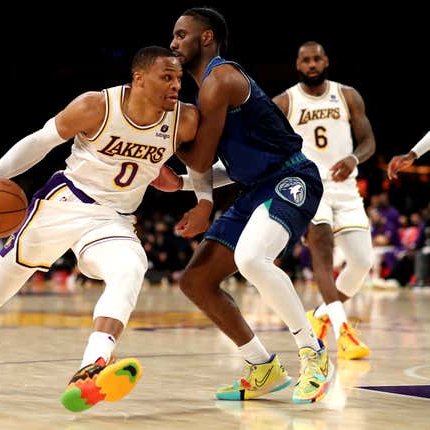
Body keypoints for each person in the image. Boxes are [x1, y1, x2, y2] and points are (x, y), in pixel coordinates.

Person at [0, 46, 210, 412]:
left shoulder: (185, 120)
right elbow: (41, 141)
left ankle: (90, 368)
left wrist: (206, 196)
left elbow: (198, 171)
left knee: (130, 268)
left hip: (113, 218)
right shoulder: (96, 106)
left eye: (178, 78)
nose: (176, 85)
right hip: (63, 204)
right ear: (139, 78)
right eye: (166, 77)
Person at [159, 7, 332, 404]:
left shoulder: (219, 80)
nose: (173, 42)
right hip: (255, 185)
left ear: (206, 38)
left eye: (181, 34)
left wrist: (166, 139)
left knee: (253, 259)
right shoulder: (204, 91)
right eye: (173, 35)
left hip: (292, 178)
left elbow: (200, 159)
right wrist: (184, 186)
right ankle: (263, 367)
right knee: (195, 281)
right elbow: (223, 167)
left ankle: (314, 354)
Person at [272, 41, 374, 360]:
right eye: (306, 60)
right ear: (298, 65)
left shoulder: (347, 95)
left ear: (326, 61)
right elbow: (270, 146)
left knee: (361, 262)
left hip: (346, 188)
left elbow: (368, 142)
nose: (312, 64)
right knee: (324, 252)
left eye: (317, 59)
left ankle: (320, 315)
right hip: (311, 187)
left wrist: (354, 160)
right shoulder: (285, 102)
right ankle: (343, 332)